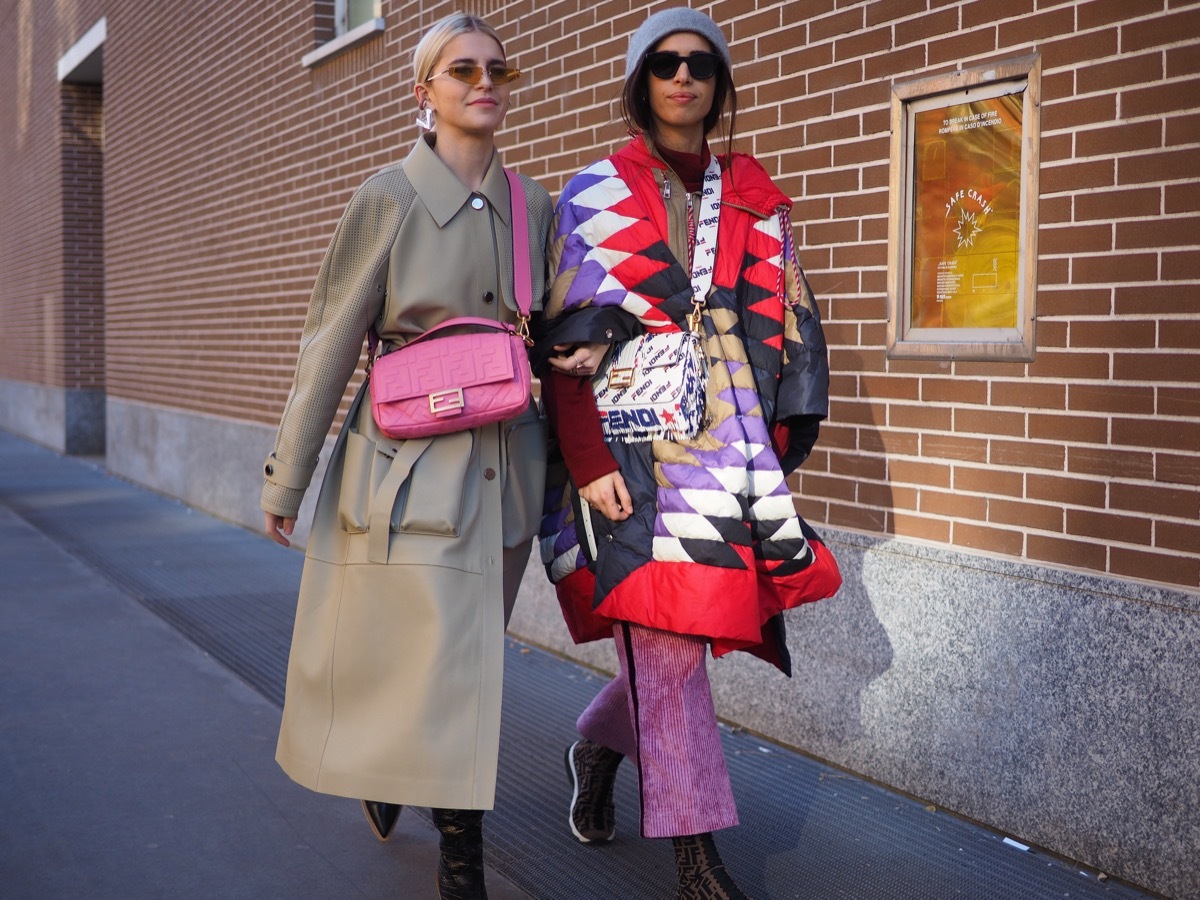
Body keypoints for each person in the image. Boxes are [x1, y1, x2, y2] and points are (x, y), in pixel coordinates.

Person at [535, 8, 842, 898]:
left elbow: (791, 329)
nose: (683, 77)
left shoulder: (755, 197)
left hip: (732, 454)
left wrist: (780, 451)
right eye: (664, 63)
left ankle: (598, 742)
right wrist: (588, 462)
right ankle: (696, 855)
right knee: (666, 642)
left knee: (690, 630)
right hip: (630, 455)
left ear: (719, 84)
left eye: (700, 64)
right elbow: (564, 344)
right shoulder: (592, 194)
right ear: (640, 82)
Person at [260, 14, 551, 899]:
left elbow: (560, 321)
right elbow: (332, 339)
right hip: (406, 467)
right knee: (437, 658)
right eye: (462, 70)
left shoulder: (532, 203)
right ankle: (462, 860)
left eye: (497, 68)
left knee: (461, 659)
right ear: (423, 92)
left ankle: (399, 776)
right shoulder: (386, 197)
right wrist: (289, 474)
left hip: (507, 468)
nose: (485, 81)